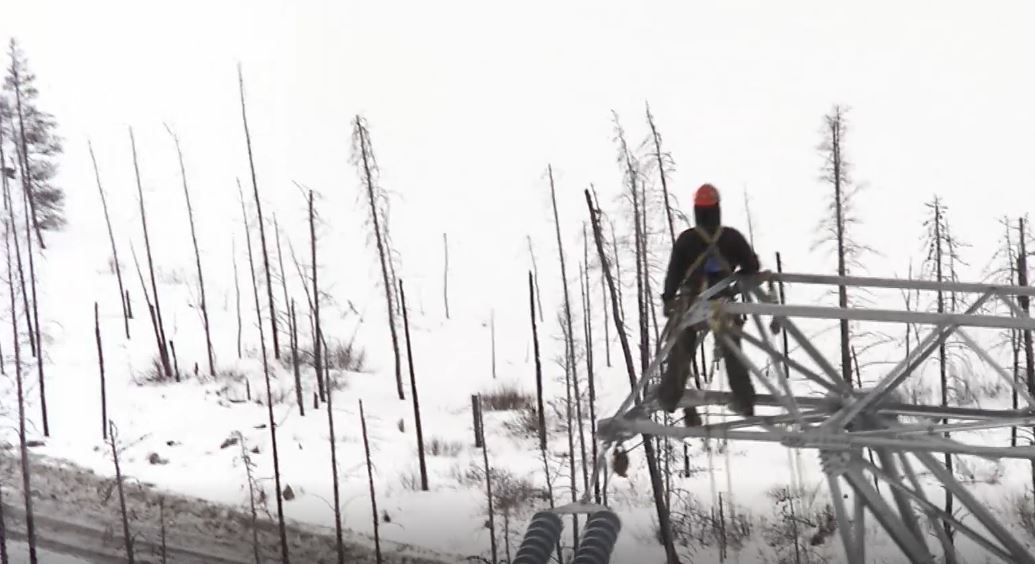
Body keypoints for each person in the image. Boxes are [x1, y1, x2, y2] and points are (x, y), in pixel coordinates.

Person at [658, 183, 760, 419]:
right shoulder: (731, 238)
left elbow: (674, 273)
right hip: (722, 305)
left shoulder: (686, 240)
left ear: (697, 210)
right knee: (733, 351)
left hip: (692, 305)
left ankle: (669, 398)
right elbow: (751, 266)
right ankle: (745, 401)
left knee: (681, 349)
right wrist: (739, 274)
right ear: (717, 209)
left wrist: (668, 298)